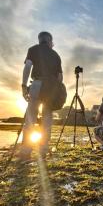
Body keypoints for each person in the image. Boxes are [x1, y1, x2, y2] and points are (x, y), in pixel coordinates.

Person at [20, 31, 63, 161]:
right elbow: (60, 78)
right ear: (50, 41)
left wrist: (23, 85)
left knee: (30, 119)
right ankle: (43, 151)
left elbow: (28, 66)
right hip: (50, 88)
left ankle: (26, 153)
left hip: (37, 83)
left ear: (40, 40)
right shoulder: (56, 55)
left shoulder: (33, 49)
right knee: (47, 121)